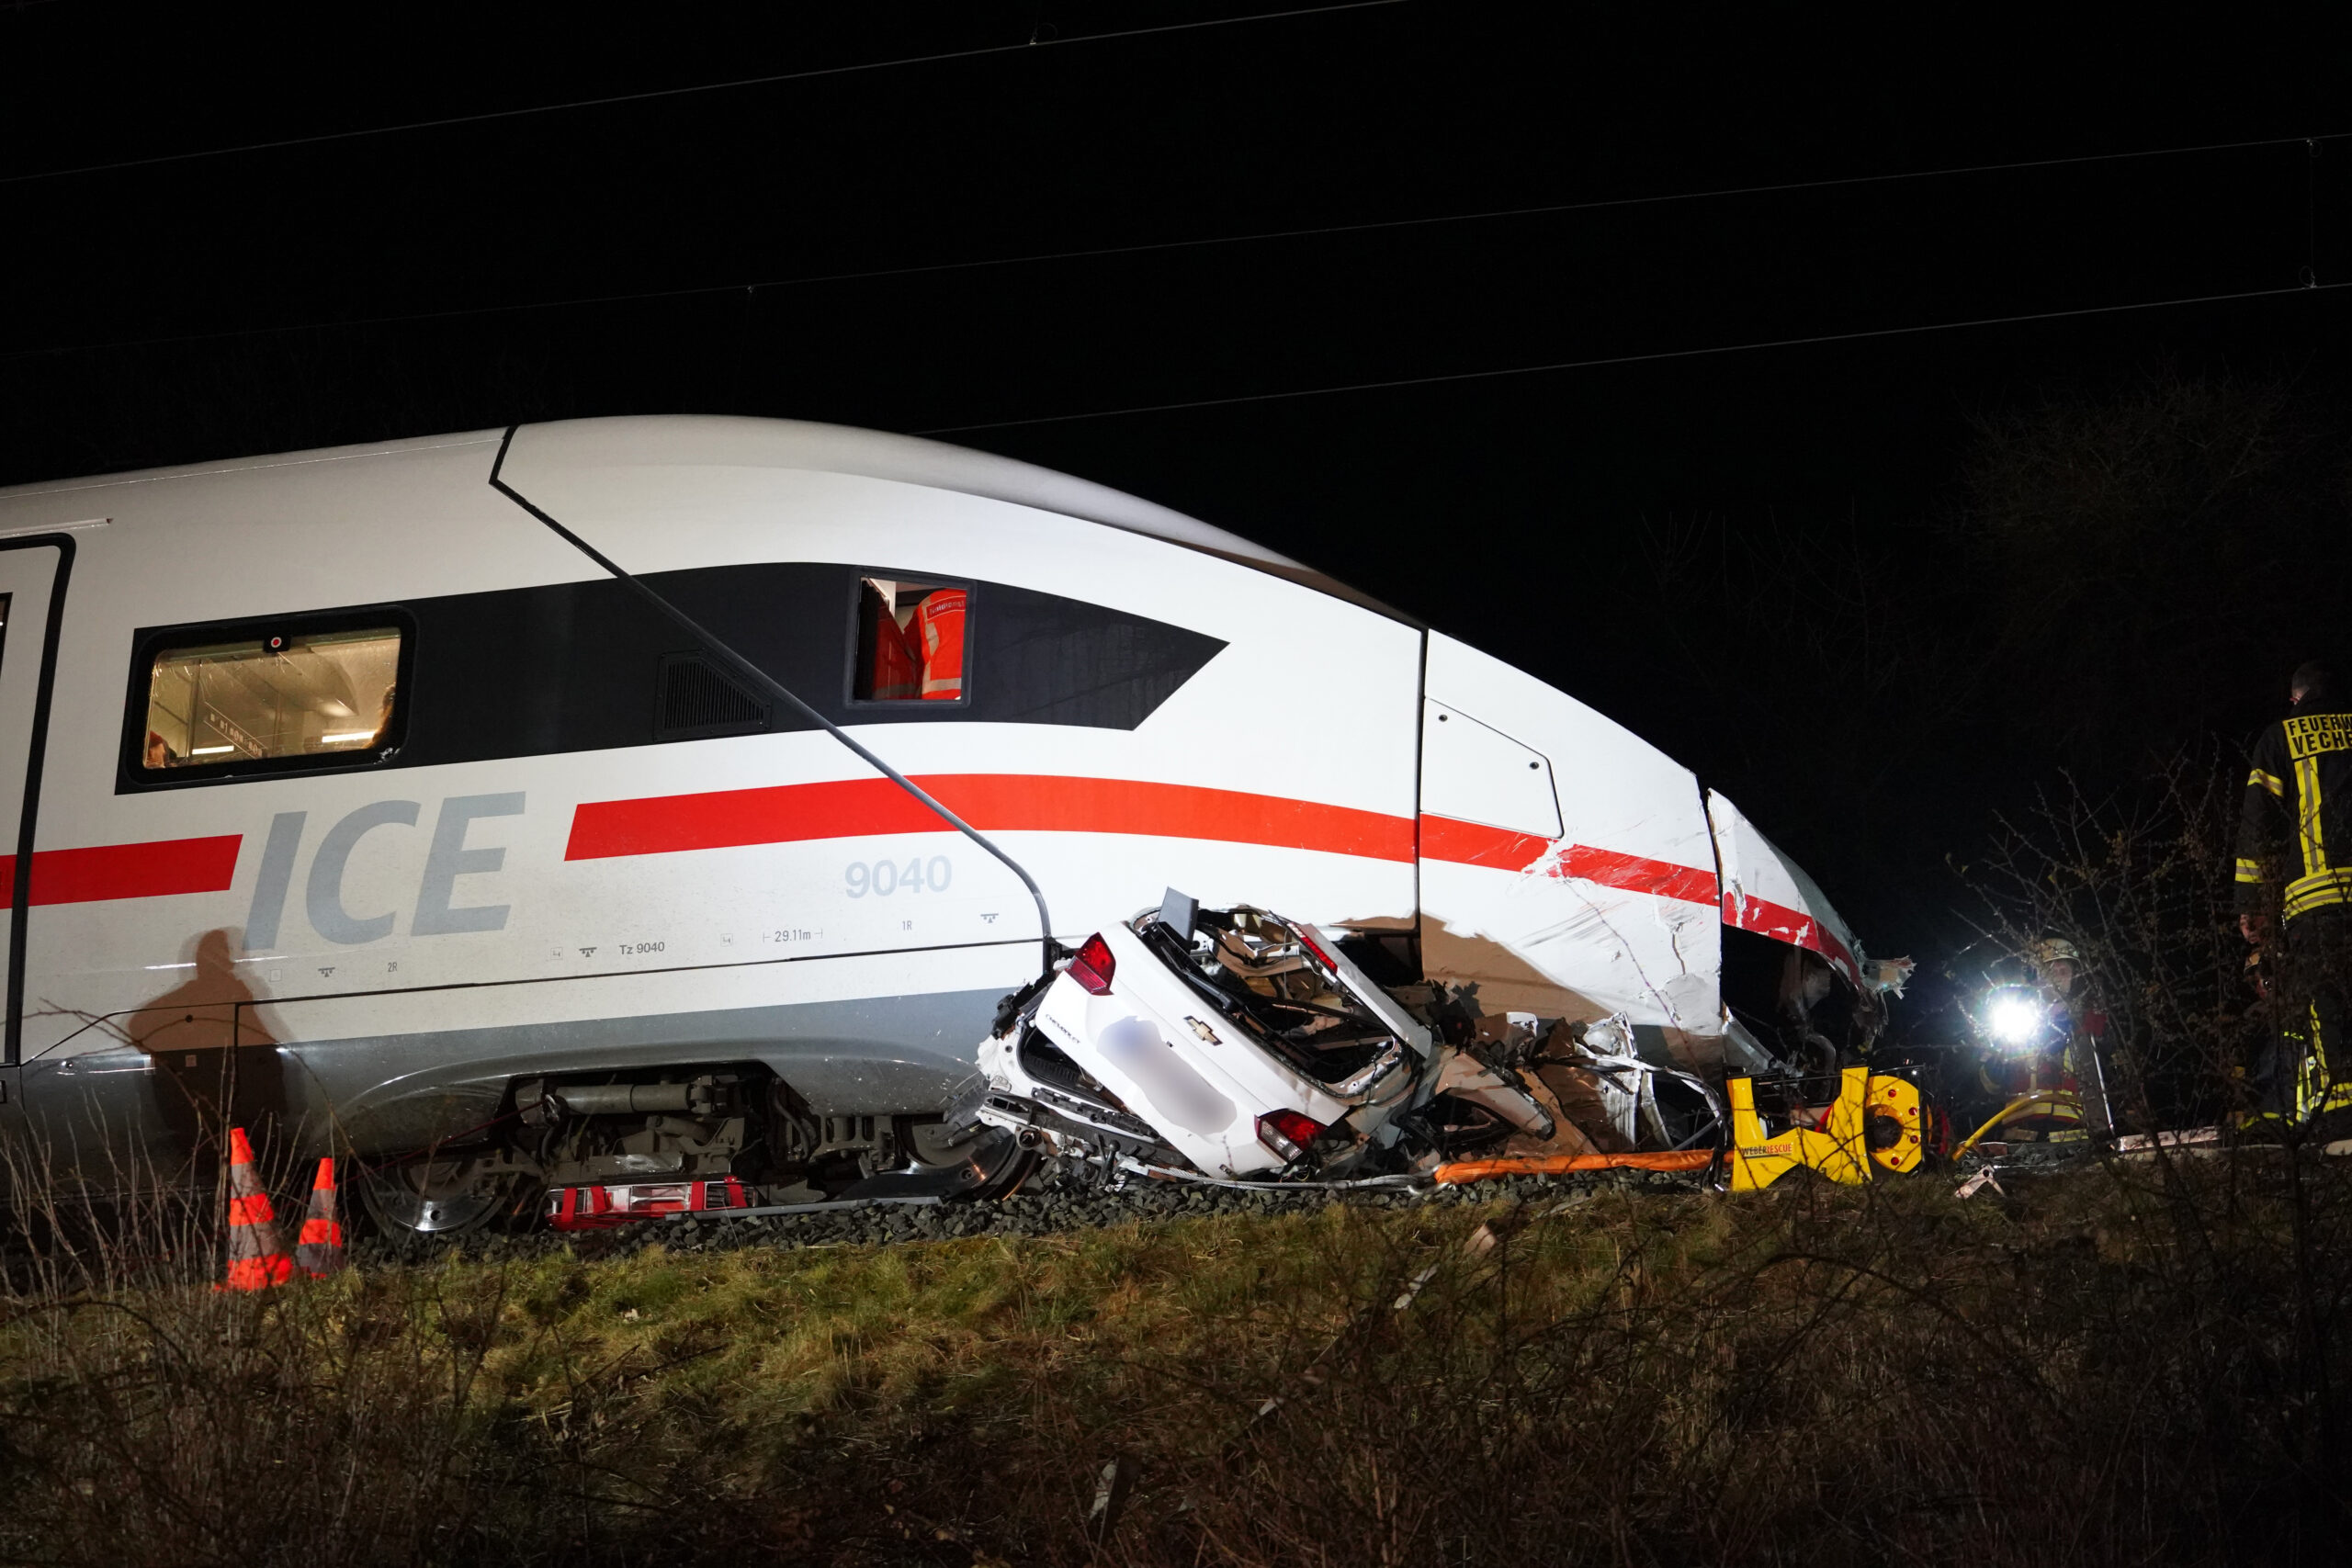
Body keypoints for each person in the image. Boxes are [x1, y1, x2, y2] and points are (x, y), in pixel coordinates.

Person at [2236, 660, 2352, 1129]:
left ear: (2295, 699)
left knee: (2328, 999)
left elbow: (2256, 824)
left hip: (2317, 895)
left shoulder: (2280, 736)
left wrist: (2251, 904)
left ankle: (2344, 1113)